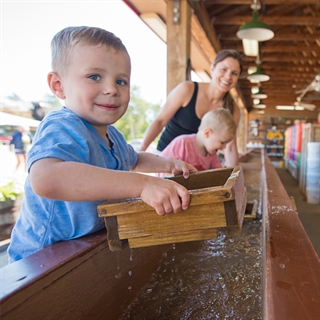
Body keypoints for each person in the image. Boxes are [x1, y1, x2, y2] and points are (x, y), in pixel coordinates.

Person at [7, 26, 197, 263]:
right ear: (58, 85)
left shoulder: (113, 136)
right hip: (41, 261)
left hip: (84, 250)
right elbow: (46, 178)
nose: (111, 89)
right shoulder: (63, 126)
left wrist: (169, 164)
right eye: (94, 77)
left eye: (121, 81)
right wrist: (143, 184)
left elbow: (135, 159)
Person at [140, 49, 243, 167]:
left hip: (198, 166)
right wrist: (140, 153)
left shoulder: (233, 110)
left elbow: (230, 147)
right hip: (167, 159)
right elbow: (160, 121)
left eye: (234, 73)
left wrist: (234, 176)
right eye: (223, 69)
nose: (228, 76)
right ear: (212, 69)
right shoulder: (187, 89)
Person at [160, 109, 236, 174]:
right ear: (207, 133)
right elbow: (165, 168)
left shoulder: (212, 154)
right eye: (222, 142)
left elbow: (218, 174)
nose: (224, 147)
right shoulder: (183, 143)